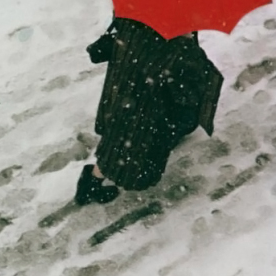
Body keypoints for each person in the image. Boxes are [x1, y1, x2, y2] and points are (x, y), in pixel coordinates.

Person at [75, 16, 224, 205]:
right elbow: (190, 78)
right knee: (130, 141)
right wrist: (185, 41)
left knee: (122, 131)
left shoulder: (139, 14)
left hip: (130, 73)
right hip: (148, 93)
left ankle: (94, 178)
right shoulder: (174, 41)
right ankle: (91, 182)